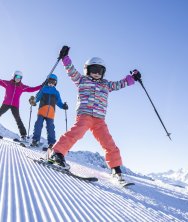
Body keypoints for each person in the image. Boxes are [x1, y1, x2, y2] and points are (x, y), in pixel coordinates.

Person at [48, 46, 141, 181]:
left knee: (108, 142)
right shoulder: (81, 80)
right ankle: (57, 154)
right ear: (87, 70)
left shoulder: (106, 84)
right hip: (85, 115)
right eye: (94, 70)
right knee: (77, 133)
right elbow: (71, 71)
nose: (97, 73)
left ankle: (116, 168)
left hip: (99, 120)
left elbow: (120, 84)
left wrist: (132, 78)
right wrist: (65, 58)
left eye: (100, 70)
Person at [0, 67, 42, 140]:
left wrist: (42, 85)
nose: (18, 78)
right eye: (17, 76)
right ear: (14, 76)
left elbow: (32, 89)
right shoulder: (8, 83)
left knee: (18, 119)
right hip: (6, 103)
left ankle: (23, 135)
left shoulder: (22, 87)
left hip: (15, 105)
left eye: (20, 77)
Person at [29, 74, 68, 149]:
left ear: (55, 83)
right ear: (47, 81)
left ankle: (52, 143)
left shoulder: (56, 92)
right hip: (41, 111)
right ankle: (35, 140)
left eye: (53, 82)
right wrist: (33, 101)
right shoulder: (43, 89)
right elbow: (37, 98)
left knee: (50, 128)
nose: (51, 83)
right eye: (50, 81)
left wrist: (63, 106)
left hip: (51, 113)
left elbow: (59, 102)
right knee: (38, 125)